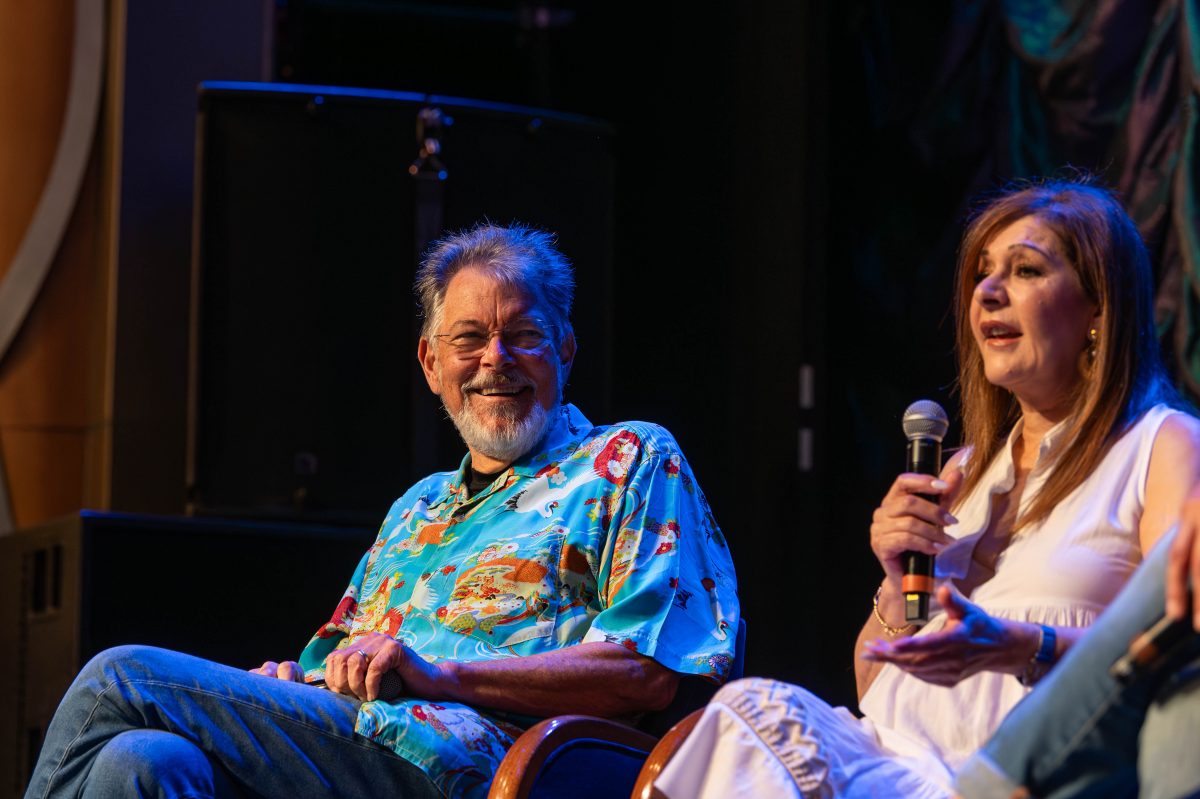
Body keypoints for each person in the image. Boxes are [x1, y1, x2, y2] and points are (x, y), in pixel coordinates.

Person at [25, 224, 739, 799]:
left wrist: (440, 675)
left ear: (566, 349)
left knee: (121, 676)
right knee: (141, 760)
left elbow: (646, 670)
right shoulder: (417, 507)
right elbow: (335, 663)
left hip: (479, 762)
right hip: (350, 743)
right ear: (431, 364)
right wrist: (290, 678)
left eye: (524, 334)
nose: (496, 358)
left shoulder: (629, 458)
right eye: (469, 338)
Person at [652, 177, 1200, 798]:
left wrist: (1022, 646)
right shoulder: (964, 471)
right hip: (897, 759)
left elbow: (1178, 642)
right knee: (743, 719)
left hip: (1019, 775)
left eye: (1025, 270)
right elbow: (875, 688)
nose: (988, 291)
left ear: (1098, 307)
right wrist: (896, 581)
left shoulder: (1160, 445)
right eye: (982, 274)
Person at [954, 497, 1200, 799]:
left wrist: (1034, 644)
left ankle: (993, 783)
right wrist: (900, 583)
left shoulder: (1150, 467)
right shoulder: (961, 478)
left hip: (1014, 739)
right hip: (911, 733)